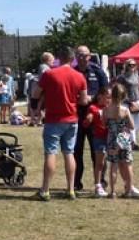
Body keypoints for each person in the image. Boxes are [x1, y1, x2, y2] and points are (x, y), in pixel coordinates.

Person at [33, 49, 88, 201]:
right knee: (69, 153)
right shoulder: (79, 76)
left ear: (60, 58)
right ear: (72, 59)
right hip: (72, 119)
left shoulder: (49, 74)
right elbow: (84, 101)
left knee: (51, 153)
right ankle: (70, 189)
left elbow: (35, 94)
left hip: (53, 119)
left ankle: (45, 190)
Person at [71, 46, 108, 192]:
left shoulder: (97, 71)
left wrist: (92, 99)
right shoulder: (72, 72)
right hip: (76, 116)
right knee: (76, 151)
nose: (82, 57)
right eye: (79, 55)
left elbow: (106, 93)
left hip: (95, 118)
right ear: (75, 56)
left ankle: (100, 182)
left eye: (85, 55)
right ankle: (76, 182)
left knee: (97, 151)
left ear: (89, 56)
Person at [103, 83, 139, 198]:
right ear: (123, 96)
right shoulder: (125, 110)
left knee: (113, 165)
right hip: (124, 138)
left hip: (112, 139)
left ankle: (113, 191)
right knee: (128, 164)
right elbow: (132, 126)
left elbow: (104, 124)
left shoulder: (106, 110)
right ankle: (128, 190)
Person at [84, 87, 111, 197]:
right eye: (108, 97)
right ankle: (97, 185)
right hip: (99, 138)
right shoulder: (93, 108)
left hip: (110, 138)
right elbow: (85, 124)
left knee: (107, 163)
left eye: (110, 97)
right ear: (100, 96)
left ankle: (105, 183)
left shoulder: (110, 108)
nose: (109, 99)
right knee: (99, 163)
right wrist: (88, 120)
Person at [116, 60, 139, 151]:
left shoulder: (136, 75)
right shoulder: (122, 77)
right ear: (126, 66)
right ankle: (133, 143)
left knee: (138, 124)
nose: (132, 66)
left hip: (138, 101)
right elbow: (120, 91)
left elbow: (137, 89)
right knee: (129, 123)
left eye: (134, 65)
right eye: (130, 65)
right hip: (127, 102)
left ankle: (130, 141)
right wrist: (129, 101)